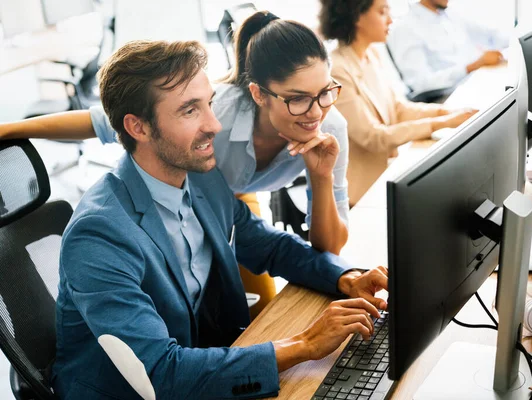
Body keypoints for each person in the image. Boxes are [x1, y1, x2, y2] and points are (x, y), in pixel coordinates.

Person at [51, 38, 388, 400]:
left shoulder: (201, 178)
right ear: (138, 127)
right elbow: (162, 375)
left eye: (209, 104)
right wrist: (306, 343)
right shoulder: (100, 235)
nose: (214, 125)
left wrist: (346, 277)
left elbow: (269, 246)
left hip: (205, 366)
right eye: (190, 111)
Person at [0, 11, 350, 316]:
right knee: (237, 310)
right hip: (191, 193)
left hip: (216, 202)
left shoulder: (326, 128)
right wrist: (10, 129)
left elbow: (301, 247)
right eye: (298, 99)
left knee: (246, 311)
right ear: (259, 94)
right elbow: (104, 120)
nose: (317, 111)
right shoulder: (216, 117)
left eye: (324, 93)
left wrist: (346, 272)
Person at [319, 0, 477, 206]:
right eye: (382, 12)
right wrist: (443, 123)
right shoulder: (337, 70)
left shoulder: (371, 55)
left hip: (389, 173)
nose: (391, 19)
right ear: (357, 17)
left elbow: (398, 108)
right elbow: (373, 136)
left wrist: (445, 112)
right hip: (363, 193)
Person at [386, 0, 510, 93]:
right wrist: (473, 66)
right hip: (450, 97)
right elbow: (420, 84)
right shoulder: (405, 28)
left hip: (477, 83)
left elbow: (492, 36)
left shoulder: (450, 14)